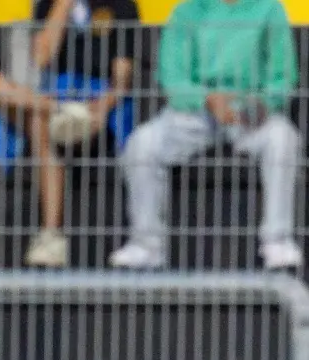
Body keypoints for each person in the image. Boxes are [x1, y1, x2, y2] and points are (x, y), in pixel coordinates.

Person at [109, 0, 301, 270]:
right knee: (142, 143)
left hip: (249, 112)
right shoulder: (187, 11)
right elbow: (172, 77)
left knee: (283, 138)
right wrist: (207, 98)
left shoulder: (269, 9)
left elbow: (283, 76)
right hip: (194, 114)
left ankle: (277, 241)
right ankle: (146, 245)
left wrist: (261, 104)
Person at [0, 0, 140, 267]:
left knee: (38, 122)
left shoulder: (122, 5)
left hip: (92, 101)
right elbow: (41, 57)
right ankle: (60, 109)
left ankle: (50, 234)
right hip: (48, 96)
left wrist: (100, 108)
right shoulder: (48, 4)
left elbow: (122, 78)